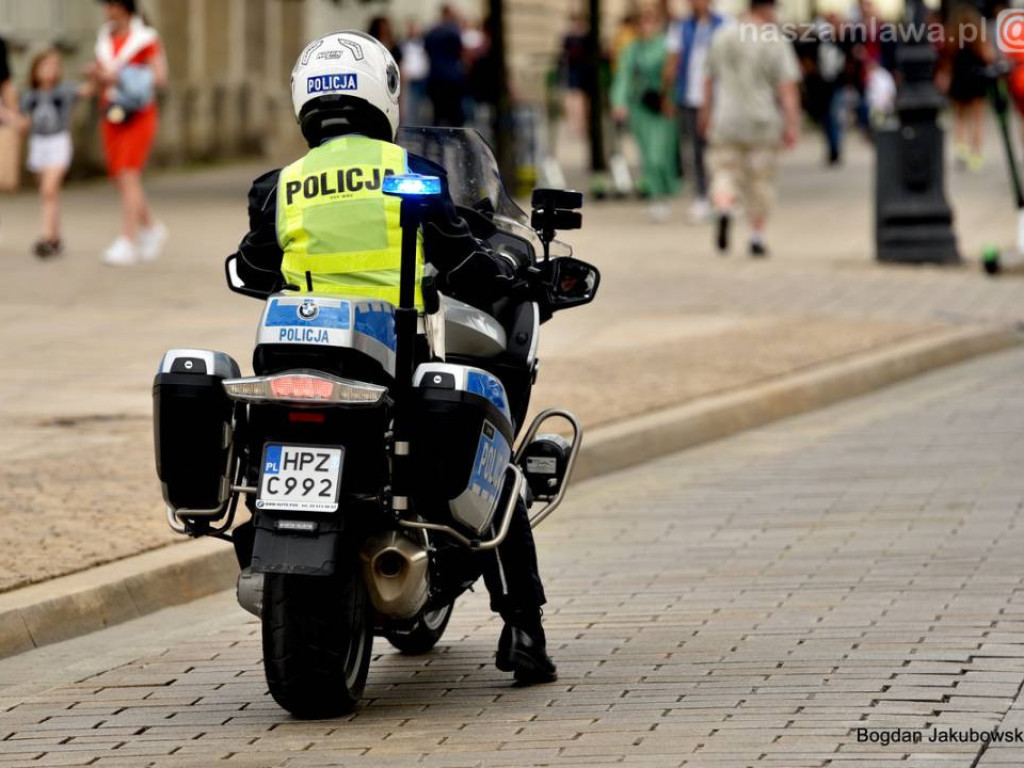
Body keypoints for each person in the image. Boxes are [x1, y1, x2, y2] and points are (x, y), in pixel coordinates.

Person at [229, 30, 557, 685]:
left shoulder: (278, 186)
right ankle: (524, 628)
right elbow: (461, 259)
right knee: (495, 463)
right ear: (383, 95)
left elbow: (254, 268)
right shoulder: (413, 175)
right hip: (391, 362)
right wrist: (504, 270)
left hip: (293, 362)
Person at [702, 0, 801, 258]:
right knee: (761, 179)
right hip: (762, 120)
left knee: (724, 170)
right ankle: (757, 236)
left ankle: (724, 207)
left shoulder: (722, 35)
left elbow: (708, 80)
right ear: (767, 8)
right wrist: (792, 123)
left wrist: (706, 114)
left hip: (726, 117)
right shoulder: (774, 39)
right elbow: (787, 88)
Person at [89, 0, 168, 266]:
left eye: (109, 4)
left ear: (122, 7)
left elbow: (160, 76)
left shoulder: (145, 38)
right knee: (119, 177)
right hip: (111, 112)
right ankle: (152, 227)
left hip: (138, 113)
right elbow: (99, 82)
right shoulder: (104, 38)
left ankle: (128, 239)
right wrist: (96, 76)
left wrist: (121, 75)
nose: (106, 10)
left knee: (128, 173)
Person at [14, 50, 93, 258]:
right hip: (38, 144)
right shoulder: (29, 95)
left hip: (58, 142)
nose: (49, 70)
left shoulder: (64, 90)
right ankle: (55, 238)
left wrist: (94, 75)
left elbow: (89, 91)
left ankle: (46, 237)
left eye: (53, 66)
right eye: (45, 66)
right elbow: (23, 124)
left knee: (48, 190)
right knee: (49, 195)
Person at [611, 4, 679, 222]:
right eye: (643, 22)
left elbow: (675, 75)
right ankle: (655, 196)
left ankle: (666, 189)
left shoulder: (667, 46)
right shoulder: (632, 49)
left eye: (651, 22)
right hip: (641, 108)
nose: (647, 27)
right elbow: (623, 76)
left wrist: (672, 100)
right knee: (648, 154)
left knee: (661, 155)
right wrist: (619, 102)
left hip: (663, 107)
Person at [665, 0, 725, 222]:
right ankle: (701, 196)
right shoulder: (680, 27)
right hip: (690, 96)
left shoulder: (724, 24)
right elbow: (673, 60)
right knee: (697, 150)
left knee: (719, 149)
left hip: (719, 98)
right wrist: (668, 94)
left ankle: (722, 195)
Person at [939, 3, 995, 172]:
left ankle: (961, 148)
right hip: (977, 77)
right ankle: (975, 155)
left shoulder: (952, 35)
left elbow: (947, 60)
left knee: (960, 116)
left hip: (959, 78)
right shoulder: (978, 35)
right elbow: (988, 56)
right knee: (977, 119)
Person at [424, 5, 467, 127]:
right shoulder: (453, 32)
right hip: (452, 78)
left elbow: (427, 50)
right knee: (455, 116)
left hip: (435, 77)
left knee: (437, 114)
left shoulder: (432, 32)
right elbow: (460, 52)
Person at [401, 21, 430, 125]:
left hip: (424, 79)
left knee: (424, 107)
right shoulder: (404, 44)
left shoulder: (424, 43)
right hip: (411, 80)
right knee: (412, 105)